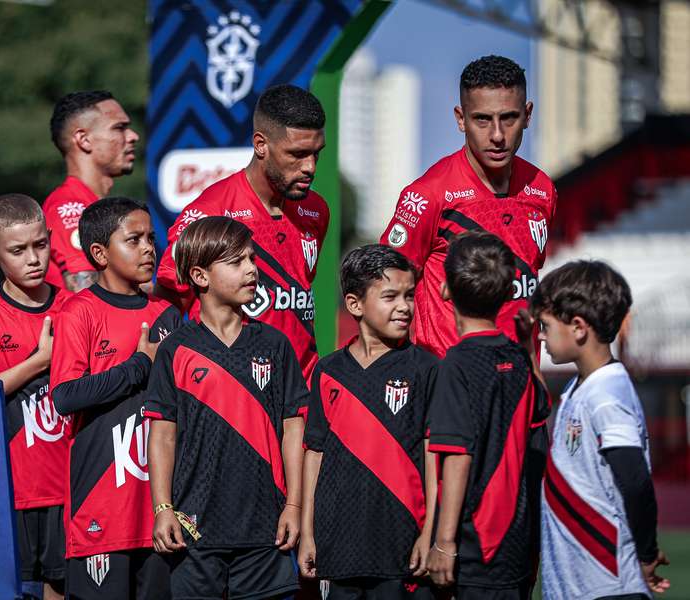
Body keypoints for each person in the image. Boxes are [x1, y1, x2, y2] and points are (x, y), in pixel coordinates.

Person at [146, 216, 308, 600]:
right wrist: (162, 507)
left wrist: (295, 506)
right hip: (194, 532)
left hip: (266, 531)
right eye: (237, 262)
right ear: (200, 276)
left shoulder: (275, 344)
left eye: (252, 259)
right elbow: (162, 435)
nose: (252, 269)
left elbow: (294, 429)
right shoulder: (175, 349)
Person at [379, 55, 556, 359]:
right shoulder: (427, 195)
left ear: (528, 115)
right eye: (483, 119)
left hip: (519, 381)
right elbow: (384, 292)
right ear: (461, 119)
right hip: (449, 384)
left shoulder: (541, 189)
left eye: (509, 118)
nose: (498, 135)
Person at [50, 197, 181, 599]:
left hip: (160, 513)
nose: (147, 248)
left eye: (150, 238)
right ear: (99, 253)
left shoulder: (167, 313)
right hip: (101, 511)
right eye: (133, 239)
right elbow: (66, 396)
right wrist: (140, 365)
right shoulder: (78, 312)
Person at [155, 84, 329, 378]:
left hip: (301, 393)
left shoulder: (316, 210)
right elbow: (167, 303)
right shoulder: (209, 213)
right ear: (261, 144)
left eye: (315, 154)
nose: (310, 167)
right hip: (230, 390)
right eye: (297, 154)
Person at [298, 244, 438, 599]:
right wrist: (308, 532)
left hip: (403, 548)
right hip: (338, 547)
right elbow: (314, 454)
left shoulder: (427, 368)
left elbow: (435, 456)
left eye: (409, 295)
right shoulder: (328, 371)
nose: (404, 307)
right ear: (355, 305)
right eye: (390, 296)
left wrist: (430, 533)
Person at [530, 261, 670, 600]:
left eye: (546, 326)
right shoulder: (580, 387)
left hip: (607, 588)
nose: (541, 335)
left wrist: (646, 554)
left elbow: (635, 482)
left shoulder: (607, 396)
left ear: (578, 327)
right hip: (576, 586)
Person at [425, 232, 548, 600]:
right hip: (518, 544)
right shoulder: (519, 361)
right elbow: (541, 408)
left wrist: (444, 542)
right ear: (510, 294)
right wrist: (528, 347)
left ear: (445, 289)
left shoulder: (456, 364)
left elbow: (457, 455)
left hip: (475, 546)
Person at [0, 193, 69, 600]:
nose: (33, 258)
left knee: (61, 586)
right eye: (18, 250)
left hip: (68, 483)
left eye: (40, 244)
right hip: (11, 485)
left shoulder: (74, 306)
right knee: (14, 588)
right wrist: (40, 361)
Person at [44, 90, 139, 293]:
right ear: (83, 139)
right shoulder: (68, 206)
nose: (133, 136)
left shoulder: (95, 206)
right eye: (119, 128)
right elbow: (85, 292)